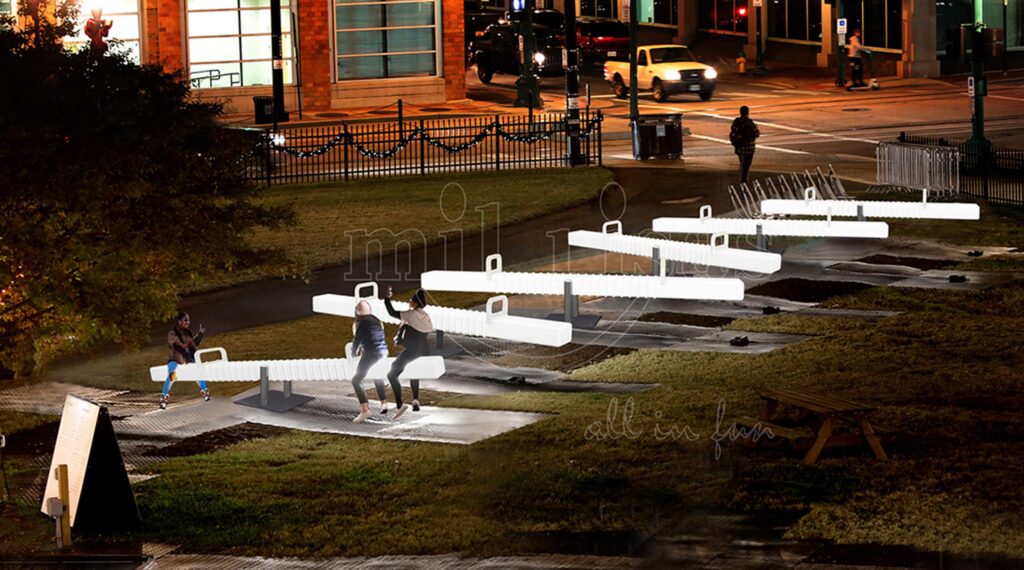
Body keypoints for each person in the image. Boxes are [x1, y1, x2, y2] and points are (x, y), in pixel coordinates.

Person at [383, 286, 433, 419]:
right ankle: (415, 400)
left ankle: (400, 404)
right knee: (414, 372)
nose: (409, 301)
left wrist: (387, 299)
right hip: (424, 352)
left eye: (411, 299)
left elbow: (392, 313)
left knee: (392, 374)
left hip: (411, 351)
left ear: (415, 303)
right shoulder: (426, 316)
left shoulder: (411, 315)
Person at [160, 311, 211, 410]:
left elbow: (192, 345)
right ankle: (163, 398)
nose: (187, 322)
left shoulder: (188, 332)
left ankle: (205, 391)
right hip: (175, 358)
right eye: (185, 320)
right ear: (179, 321)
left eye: (188, 320)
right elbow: (176, 346)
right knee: (172, 375)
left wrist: (200, 335)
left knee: (197, 372)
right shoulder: (172, 332)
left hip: (188, 358)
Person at [351, 300, 390, 424]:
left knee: (356, 380)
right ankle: (384, 403)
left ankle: (364, 410)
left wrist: (353, 353)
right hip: (383, 352)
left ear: (357, 313)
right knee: (376, 375)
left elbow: (357, 341)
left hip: (371, 353)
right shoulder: (377, 320)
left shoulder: (361, 323)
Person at [729, 106, 760, 184]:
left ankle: (743, 179)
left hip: (740, 147)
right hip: (749, 148)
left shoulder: (736, 122)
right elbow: (756, 133)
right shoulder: (750, 123)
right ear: (748, 112)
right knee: (747, 165)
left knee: (742, 164)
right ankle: (744, 181)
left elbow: (733, 131)